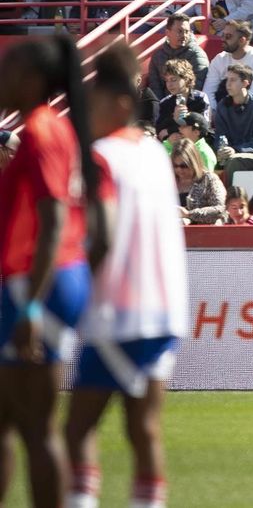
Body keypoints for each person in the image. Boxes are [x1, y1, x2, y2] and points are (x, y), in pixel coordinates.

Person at [61, 44, 184, 508]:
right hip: (165, 308)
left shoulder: (102, 157)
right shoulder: (155, 152)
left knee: (76, 430)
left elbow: (102, 236)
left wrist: (74, 295)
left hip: (117, 311)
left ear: (116, 102)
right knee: (145, 429)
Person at [0, 35, 102, 508]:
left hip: (34, 285)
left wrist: (32, 306)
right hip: (44, 280)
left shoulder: (40, 133)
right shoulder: (50, 129)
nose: (3, 72)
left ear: (34, 79)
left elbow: (55, 218)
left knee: (36, 428)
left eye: (11, 65)